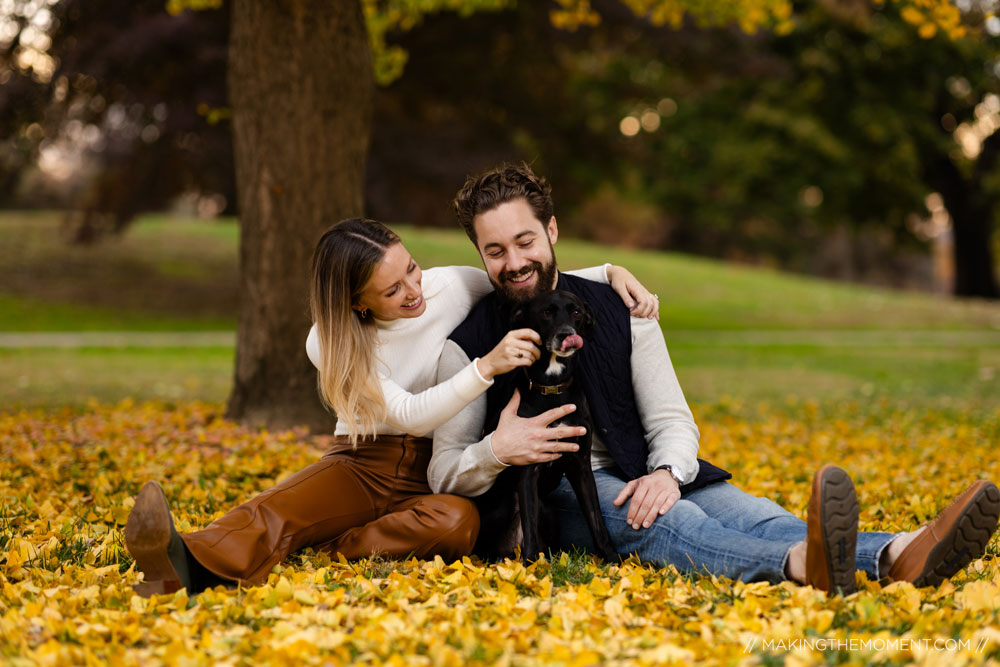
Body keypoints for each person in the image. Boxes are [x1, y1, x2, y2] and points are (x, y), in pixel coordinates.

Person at [428, 163, 1000, 594]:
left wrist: (668, 471)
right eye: (495, 250)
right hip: (563, 488)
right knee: (675, 524)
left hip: (651, 468)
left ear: (551, 231)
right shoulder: (469, 345)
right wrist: (497, 451)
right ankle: (806, 566)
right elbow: (442, 471)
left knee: (755, 514)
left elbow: (672, 419)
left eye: (525, 241)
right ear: (480, 254)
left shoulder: (621, 306)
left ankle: (900, 551)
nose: (514, 262)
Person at [124, 217, 658, 596]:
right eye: (391, 290)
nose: (414, 291)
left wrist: (610, 271)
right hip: (364, 461)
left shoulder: (451, 285)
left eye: (412, 269)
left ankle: (336, 546)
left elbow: (528, 280)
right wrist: (485, 367)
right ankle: (181, 560)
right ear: (358, 302)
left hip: (432, 471)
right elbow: (406, 414)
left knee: (456, 525)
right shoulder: (327, 340)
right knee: (278, 511)